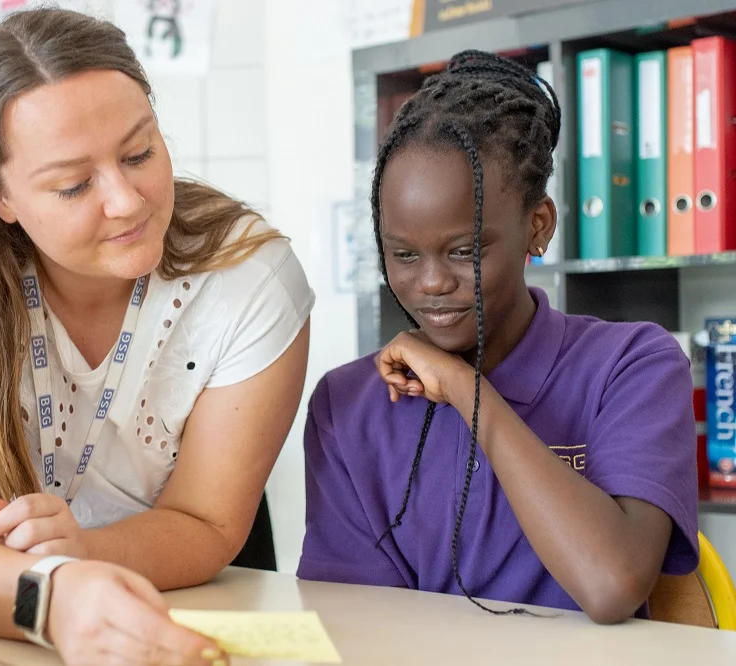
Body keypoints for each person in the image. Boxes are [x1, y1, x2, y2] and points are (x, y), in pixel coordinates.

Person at [0, 8, 313, 664]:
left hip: (187, 604)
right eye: (74, 185)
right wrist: (58, 597)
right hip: (9, 628)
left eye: (140, 153)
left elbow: (208, 523)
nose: (127, 200)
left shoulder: (248, 278)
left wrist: (82, 557)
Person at [296, 50, 698, 625]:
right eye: (403, 254)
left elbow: (613, 584)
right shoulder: (349, 404)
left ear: (538, 226)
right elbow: (360, 626)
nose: (432, 282)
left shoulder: (632, 365)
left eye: (464, 251)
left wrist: (465, 389)